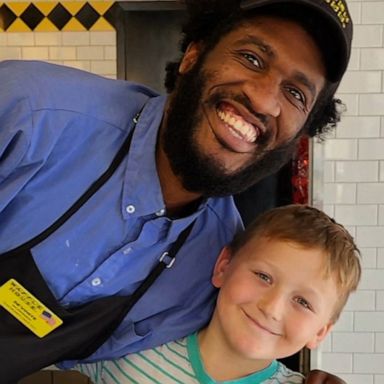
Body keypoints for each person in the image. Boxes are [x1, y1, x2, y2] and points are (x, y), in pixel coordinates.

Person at [0, 0, 353, 382]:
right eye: (252, 58)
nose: (265, 100)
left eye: (296, 94)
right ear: (193, 55)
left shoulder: (209, 263)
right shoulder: (28, 114)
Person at [75, 205, 361, 383]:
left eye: (302, 302)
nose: (272, 308)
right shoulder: (136, 345)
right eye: (263, 276)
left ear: (320, 331)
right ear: (224, 267)